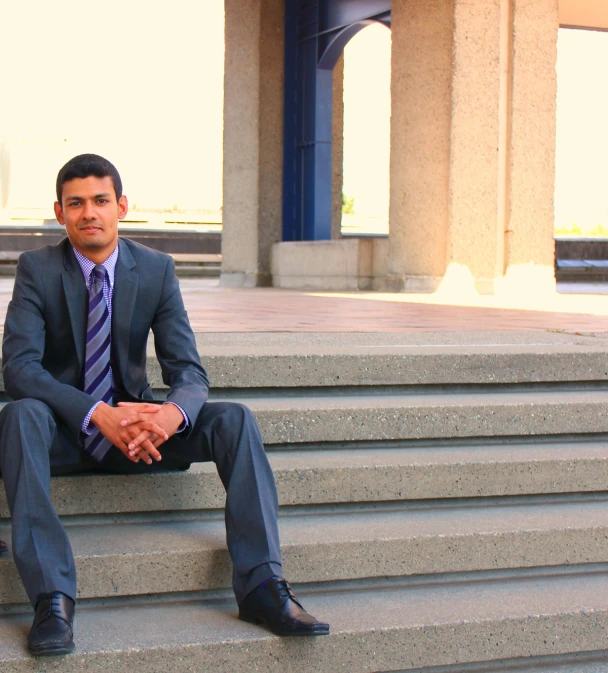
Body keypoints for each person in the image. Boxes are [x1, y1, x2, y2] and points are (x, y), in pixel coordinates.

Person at [0, 154, 329, 657]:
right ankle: (52, 599)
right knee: (20, 413)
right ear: (60, 212)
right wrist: (95, 413)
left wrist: (171, 415)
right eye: (76, 203)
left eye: (101, 201)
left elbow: (188, 371)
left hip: (142, 437)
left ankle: (263, 586)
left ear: (121, 207)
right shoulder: (37, 270)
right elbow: (20, 368)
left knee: (233, 419)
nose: (89, 212)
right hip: (66, 434)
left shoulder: (155, 270)